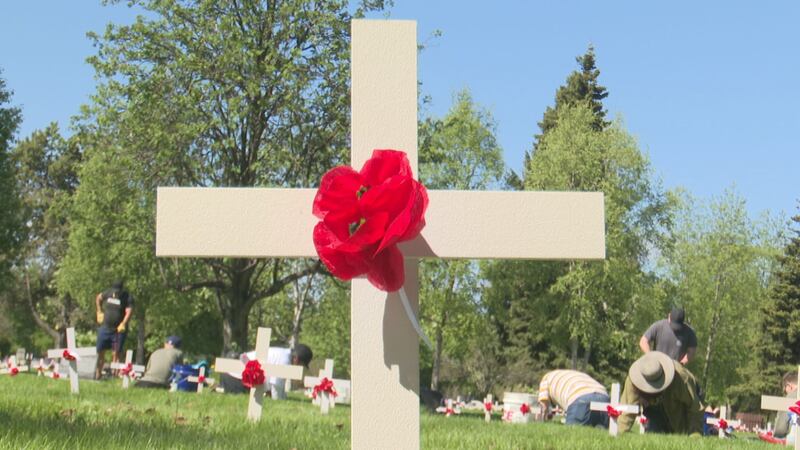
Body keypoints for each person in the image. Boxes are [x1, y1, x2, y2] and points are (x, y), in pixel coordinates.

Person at [617, 351, 705, 435]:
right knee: (654, 434)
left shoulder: (681, 378)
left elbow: (694, 407)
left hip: (681, 405)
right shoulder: (634, 380)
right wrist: (620, 433)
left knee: (681, 432)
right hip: (654, 409)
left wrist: (695, 433)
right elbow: (627, 408)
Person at [219, 344, 313, 399]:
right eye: (301, 365)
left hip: (233, 376)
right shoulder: (284, 360)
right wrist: (279, 401)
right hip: (234, 377)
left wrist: (284, 397)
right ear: (296, 359)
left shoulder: (283, 354)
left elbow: (279, 386)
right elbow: (276, 386)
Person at [537, 369, 610, 428]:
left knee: (573, 436)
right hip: (604, 397)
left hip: (580, 398)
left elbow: (543, 406)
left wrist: (543, 421)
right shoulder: (569, 375)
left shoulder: (545, 379)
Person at [94, 280, 134, 379]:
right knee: (100, 351)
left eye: (118, 290)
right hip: (105, 329)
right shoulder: (108, 292)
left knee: (115, 353)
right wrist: (99, 311)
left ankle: (114, 376)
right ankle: (98, 374)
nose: (116, 292)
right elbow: (98, 298)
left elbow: (129, 311)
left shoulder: (127, 297)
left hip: (117, 332)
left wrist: (123, 323)